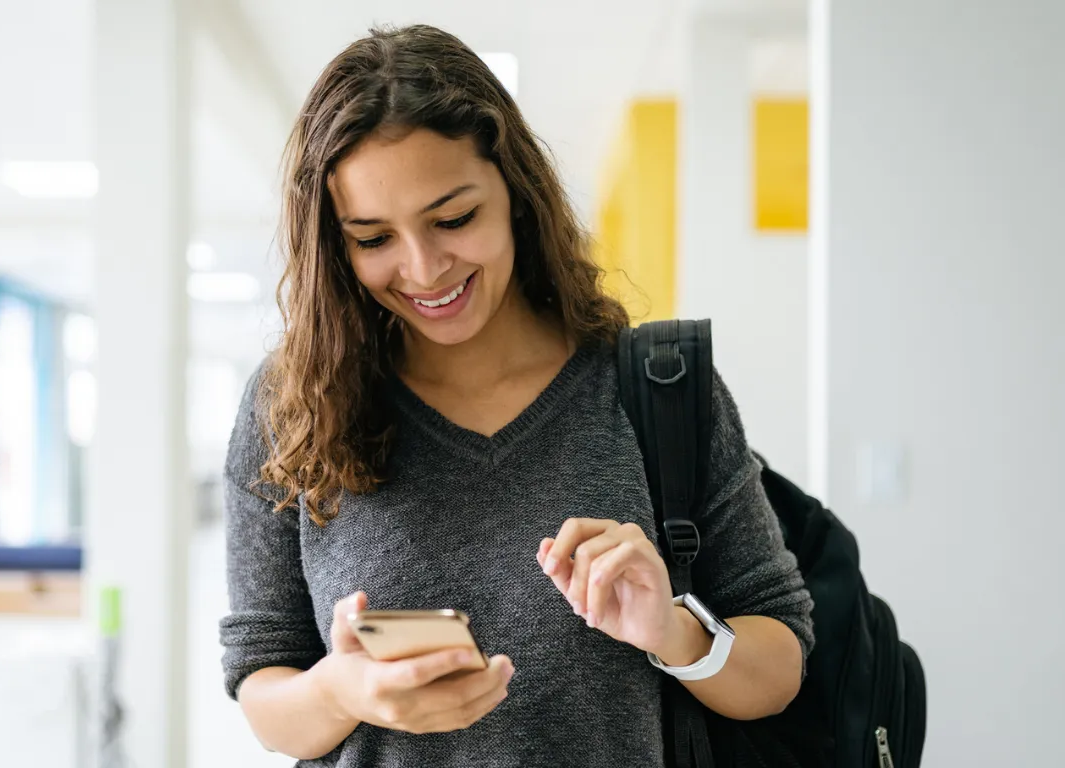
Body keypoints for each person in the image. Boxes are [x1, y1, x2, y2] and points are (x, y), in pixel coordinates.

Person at [218, 24, 814, 767]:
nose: (424, 268)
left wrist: (670, 627)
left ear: (516, 193)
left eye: (454, 218)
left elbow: (780, 668)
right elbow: (264, 687)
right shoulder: (288, 407)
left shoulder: (652, 389)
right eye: (373, 239)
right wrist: (341, 692)